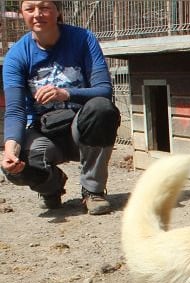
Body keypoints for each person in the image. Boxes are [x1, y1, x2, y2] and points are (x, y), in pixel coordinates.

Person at [2, 0, 120, 215]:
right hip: (43, 131)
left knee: (102, 108)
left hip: (81, 126)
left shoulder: (83, 39)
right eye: (30, 9)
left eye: (45, 7)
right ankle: (51, 187)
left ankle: (93, 190)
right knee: (15, 170)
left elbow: (104, 90)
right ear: (22, 14)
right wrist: (10, 150)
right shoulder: (17, 55)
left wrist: (65, 93)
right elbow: (15, 110)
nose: (38, 14)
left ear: (58, 11)